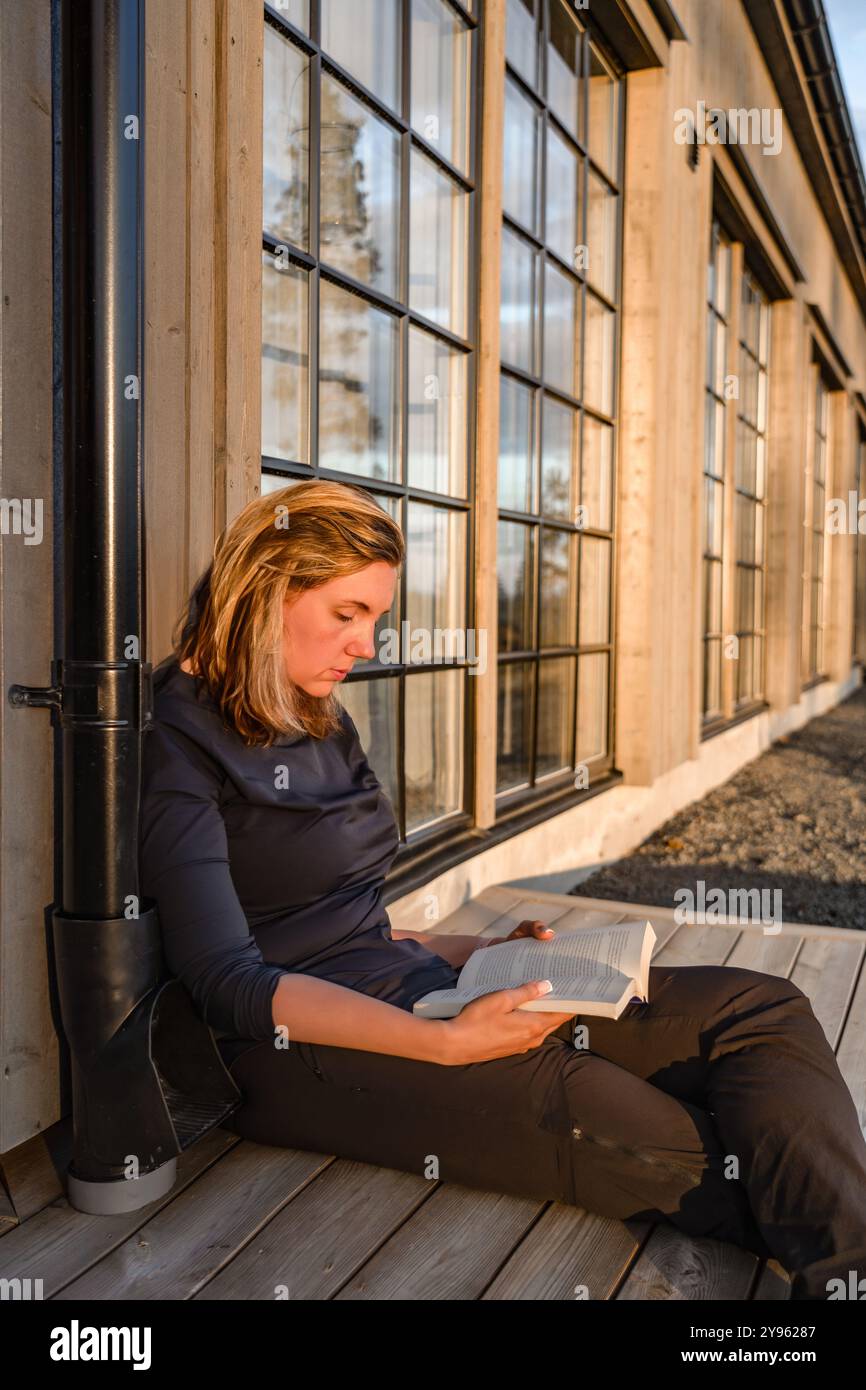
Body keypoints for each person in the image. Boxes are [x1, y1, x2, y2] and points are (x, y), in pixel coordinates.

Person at [138, 477, 866, 1301]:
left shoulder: (315, 713)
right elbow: (228, 986)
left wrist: (480, 951)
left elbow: (355, 923)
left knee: (758, 1008)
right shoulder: (175, 740)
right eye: (348, 614)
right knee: (667, 1130)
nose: (368, 644)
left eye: (374, 617)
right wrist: (443, 1043)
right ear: (265, 590)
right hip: (297, 1051)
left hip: (417, 982)